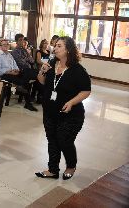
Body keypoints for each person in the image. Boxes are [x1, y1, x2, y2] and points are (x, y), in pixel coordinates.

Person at [35, 36, 91, 180]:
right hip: (50, 112)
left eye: (59, 46)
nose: (55, 48)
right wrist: (42, 71)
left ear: (68, 50)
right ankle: (53, 170)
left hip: (71, 115)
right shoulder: (52, 63)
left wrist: (72, 102)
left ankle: (71, 166)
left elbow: (86, 90)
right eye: (55, 45)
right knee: (52, 140)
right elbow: (41, 82)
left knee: (64, 140)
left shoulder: (77, 70)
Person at [0, 39, 38, 111]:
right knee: (25, 82)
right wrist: (9, 72)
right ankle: (27, 101)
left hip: (14, 73)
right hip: (5, 75)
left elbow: (15, 65)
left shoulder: (9, 55)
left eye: (7, 44)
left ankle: (20, 88)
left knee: (27, 71)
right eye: (4, 44)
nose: (6, 46)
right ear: (0, 46)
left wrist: (17, 70)